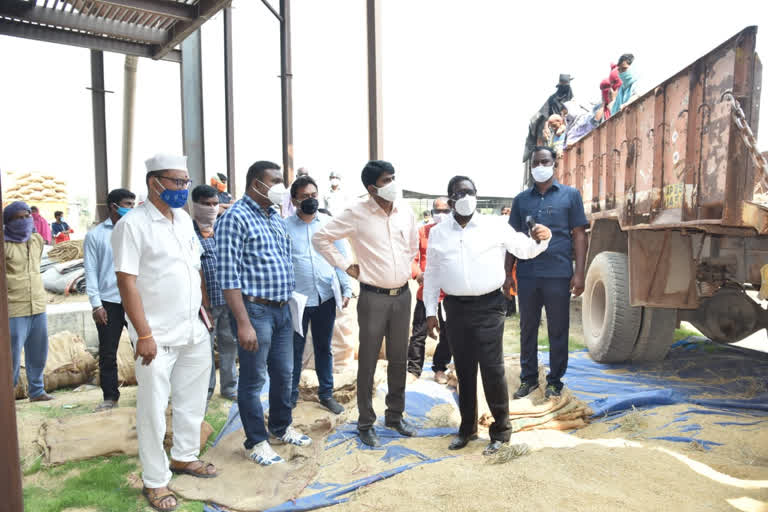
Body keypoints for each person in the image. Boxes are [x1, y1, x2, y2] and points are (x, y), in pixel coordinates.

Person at [112, 153, 217, 511]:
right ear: (154, 183)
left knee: (191, 402)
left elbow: (195, 268)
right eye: (176, 181)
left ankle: (185, 456)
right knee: (153, 412)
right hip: (156, 338)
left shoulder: (185, 220)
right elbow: (126, 283)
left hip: (193, 330)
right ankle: (156, 481)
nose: (183, 188)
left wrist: (205, 312)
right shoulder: (132, 225)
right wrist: (143, 334)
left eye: (185, 181)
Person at [423, 176, 551, 455]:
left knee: (492, 368)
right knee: (464, 369)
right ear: (450, 199)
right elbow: (432, 274)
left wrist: (542, 240)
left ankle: (501, 431)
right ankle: (467, 428)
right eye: (459, 193)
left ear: (476, 196)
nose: (466, 197)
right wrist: (430, 311)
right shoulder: (438, 232)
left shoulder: (495, 225)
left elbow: (524, 248)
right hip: (455, 307)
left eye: (470, 192)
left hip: (489, 305)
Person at [313, 160, 419, 447]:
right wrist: (346, 265)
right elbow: (321, 238)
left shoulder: (404, 210)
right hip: (373, 298)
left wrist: (403, 269)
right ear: (372, 188)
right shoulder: (356, 213)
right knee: (369, 361)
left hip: (402, 295)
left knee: (399, 359)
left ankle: (395, 416)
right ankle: (365, 423)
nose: (393, 183)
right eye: (387, 180)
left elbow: (411, 246)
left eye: (394, 177)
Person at [216, 160, 312, 467]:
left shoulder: (275, 216)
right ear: (256, 183)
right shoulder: (235, 218)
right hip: (254, 311)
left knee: (284, 375)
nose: (280, 187)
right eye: (274, 181)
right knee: (254, 379)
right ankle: (256, 440)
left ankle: (281, 427)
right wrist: (243, 323)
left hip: (283, 309)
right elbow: (228, 277)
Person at [506, 146, 589, 400]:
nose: (540, 166)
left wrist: (580, 273)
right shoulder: (521, 200)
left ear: (555, 164)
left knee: (558, 329)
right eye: (536, 163)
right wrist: (508, 273)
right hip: (528, 274)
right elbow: (512, 238)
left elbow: (579, 235)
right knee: (527, 327)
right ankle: (528, 379)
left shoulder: (570, 196)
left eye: (545, 161)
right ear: (531, 167)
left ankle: (555, 381)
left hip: (558, 274)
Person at [285, 175, 352, 414]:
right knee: (295, 348)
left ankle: (326, 394)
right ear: (294, 200)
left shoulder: (328, 224)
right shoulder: (284, 227)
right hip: (296, 300)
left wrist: (346, 287)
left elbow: (340, 258)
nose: (310, 200)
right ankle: (290, 396)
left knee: (325, 347)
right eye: (304, 197)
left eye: (313, 195)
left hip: (325, 296)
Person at [84, 188, 136, 411]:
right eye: (127, 204)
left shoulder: (136, 230)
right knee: (107, 353)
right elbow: (91, 271)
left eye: (133, 204)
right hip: (109, 301)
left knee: (144, 345)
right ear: (114, 206)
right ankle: (110, 397)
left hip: (135, 298)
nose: (132, 208)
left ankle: (150, 392)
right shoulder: (96, 235)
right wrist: (96, 304)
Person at [191, 185, 238, 402]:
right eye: (206, 204)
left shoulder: (223, 230)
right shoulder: (188, 233)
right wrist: (205, 305)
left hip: (228, 300)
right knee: (204, 348)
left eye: (214, 204)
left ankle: (229, 387)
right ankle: (206, 390)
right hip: (202, 304)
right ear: (195, 205)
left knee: (229, 345)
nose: (211, 208)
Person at [4, 201, 53, 402]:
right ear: (8, 222)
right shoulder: (4, 245)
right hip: (14, 307)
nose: (25, 220)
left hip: (38, 304)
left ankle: (36, 391)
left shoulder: (36, 241)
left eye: (27, 216)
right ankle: (8, 394)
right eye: (19, 217)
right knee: (12, 354)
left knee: (38, 350)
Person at [406, 197, 452, 385]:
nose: (441, 215)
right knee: (419, 333)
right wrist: (417, 274)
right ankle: (413, 370)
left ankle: (440, 368)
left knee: (448, 334)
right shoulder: (421, 232)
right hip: (426, 292)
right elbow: (411, 258)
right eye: (437, 211)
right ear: (432, 213)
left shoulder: (455, 233)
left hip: (450, 293)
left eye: (445, 211)